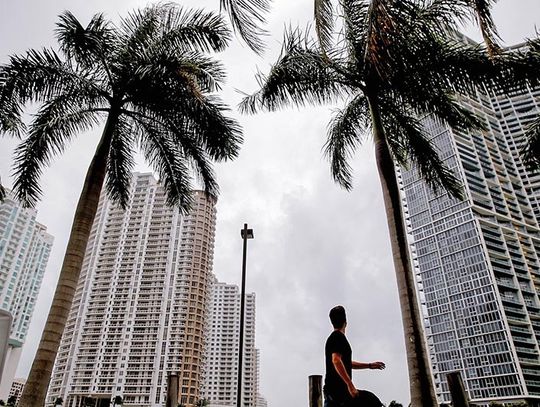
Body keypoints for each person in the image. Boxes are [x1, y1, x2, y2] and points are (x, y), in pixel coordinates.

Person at [324, 305, 386, 407]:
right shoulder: (338, 337)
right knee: (371, 400)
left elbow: (346, 363)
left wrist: (369, 365)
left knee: (370, 399)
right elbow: (336, 360)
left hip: (335, 392)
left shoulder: (334, 338)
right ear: (346, 322)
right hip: (337, 393)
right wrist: (350, 384)